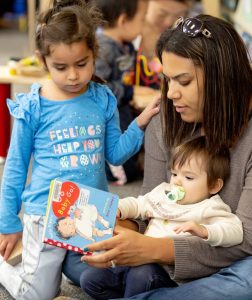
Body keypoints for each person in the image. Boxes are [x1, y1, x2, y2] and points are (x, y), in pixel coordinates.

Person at [79, 14, 252, 299]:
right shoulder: (164, 124)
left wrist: (152, 249)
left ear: (222, 78)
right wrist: (120, 228)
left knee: (246, 279)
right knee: (86, 268)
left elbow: (246, 239)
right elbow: (154, 205)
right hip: (167, 260)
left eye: (183, 81)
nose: (171, 93)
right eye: (167, 80)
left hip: (229, 257)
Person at [0, 0, 160, 299]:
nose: (73, 75)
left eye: (81, 64)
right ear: (42, 60)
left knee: (100, 276)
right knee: (36, 296)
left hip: (88, 211)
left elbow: (115, 154)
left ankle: (62, 262)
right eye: (61, 67)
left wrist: (140, 122)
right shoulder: (34, 106)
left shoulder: (103, 98)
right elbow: (16, 166)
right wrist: (8, 222)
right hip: (45, 214)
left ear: (93, 54)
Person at [80, 136, 243, 299]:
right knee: (90, 279)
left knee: (141, 276)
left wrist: (205, 231)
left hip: (167, 275)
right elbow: (139, 204)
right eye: (174, 174)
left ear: (214, 185)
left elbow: (235, 230)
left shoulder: (210, 207)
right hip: (135, 258)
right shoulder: (163, 193)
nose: (177, 182)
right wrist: (120, 208)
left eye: (189, 177)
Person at [90, 0, 149, 185]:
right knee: (125, 166)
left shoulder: (126, 44)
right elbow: (100, 88)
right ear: (123, 20)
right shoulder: (103, 48)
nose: (144, 24)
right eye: (141, 19)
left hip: (123, 105)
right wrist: (130, 91)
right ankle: (113, 171)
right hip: (111, 111)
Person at [133, 0, 192, 106]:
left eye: (178, 16)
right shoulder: (127, 33)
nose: (168, 22)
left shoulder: (183, 39)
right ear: (144, 4)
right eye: (162, 14)